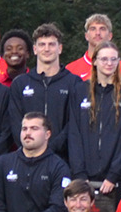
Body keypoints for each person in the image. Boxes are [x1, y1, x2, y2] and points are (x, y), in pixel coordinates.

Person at [69, 43, 121, 209]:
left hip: (117, 177)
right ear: (95, 62)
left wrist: (113, 175)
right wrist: (80, 174)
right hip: (85, 176)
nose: (109, 63)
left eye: (113, 59)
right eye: (104, 59)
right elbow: (74, 134)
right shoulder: (79, 90)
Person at [7, 25, 86, 156]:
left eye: (51, 44)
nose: (47, 49)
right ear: (35, 49)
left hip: (64, 157)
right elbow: (15, 123)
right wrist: (31, 147)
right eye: (42, 44)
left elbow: (75, 122)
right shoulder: (20, 84)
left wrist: (52, 147)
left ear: (60, 48)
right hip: (28, 157)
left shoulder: (74, 82)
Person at [64, 14, 121, 82]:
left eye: (102, 29)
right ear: (86, 36)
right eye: (93, 29)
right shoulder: (71, 69)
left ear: (110, 36)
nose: (98, 33)